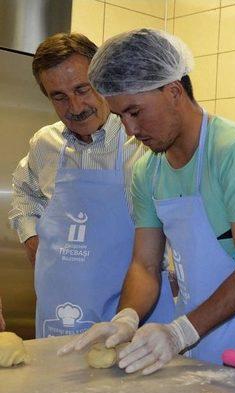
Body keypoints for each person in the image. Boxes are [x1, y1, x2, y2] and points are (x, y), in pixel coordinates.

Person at [59, 29, 235, 374]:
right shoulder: (147, 170)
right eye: (121, 116)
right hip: (194, 345)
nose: (130, 129)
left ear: (174, 91)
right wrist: (126, 317)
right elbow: (145, 265)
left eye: (135, 111)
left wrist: (181, 331)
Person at [6, 33, 174, 338]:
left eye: (82, 89)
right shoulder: (45, 144)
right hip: (60, 312)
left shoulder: (140, 141)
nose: (75, 106)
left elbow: (176, 216)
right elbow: (23, 193)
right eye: (59, 96)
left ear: (103, 81)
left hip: (131, 312)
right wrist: (31, 237)